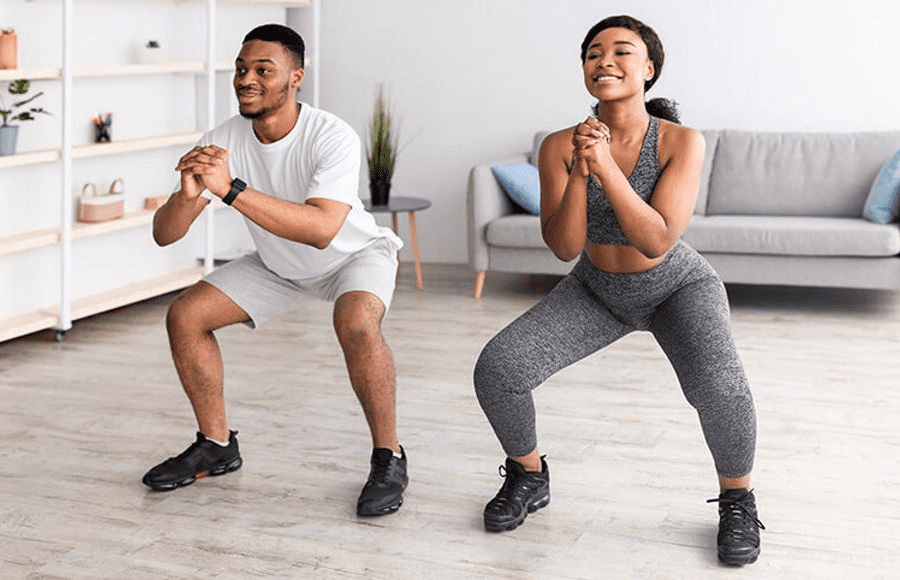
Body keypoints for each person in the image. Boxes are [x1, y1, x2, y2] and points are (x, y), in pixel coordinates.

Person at [473, 15, 764, 565]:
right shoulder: (561, 145)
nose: (605, 60)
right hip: (596, 288)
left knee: (720, 390)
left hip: (677, 285)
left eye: (622, 52)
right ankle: (529, 475)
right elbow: (563, 247)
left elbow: (656, 239)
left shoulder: (681, 141)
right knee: (499, 369)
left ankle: (737, 499)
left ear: (648, 68)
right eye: (593, 53)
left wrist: (606, 166)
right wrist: (581, 169)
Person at [142, 23, 408, 518]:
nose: (247, 78)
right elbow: (165, 234)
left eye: (264, 70)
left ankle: (388, 456)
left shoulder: (331, 135)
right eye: (241, 69)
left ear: (296, 78)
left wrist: (230, 189)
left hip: (353, 255)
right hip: (280, 263)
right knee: (185, 315)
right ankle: (217, 444)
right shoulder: (223, 139)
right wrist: (186, 194)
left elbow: (324, 228)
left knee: (355, 324)